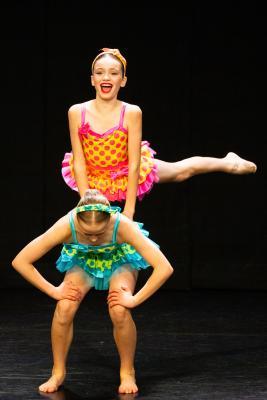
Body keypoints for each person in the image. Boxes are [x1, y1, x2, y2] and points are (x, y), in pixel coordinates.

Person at [61, 48, 257, 220]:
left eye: (113, 73)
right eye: (99, 73)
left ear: (123, 80)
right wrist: (86, 203)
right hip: (95, 175)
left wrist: (129, 210)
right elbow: (79, 162)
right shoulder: (77, 112)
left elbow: (134, 163)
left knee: (180, 172)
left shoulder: (131, 112)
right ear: (92, 80)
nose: (106, 77)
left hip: (127, 169)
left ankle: (230, 163)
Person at [12, 189, 173, 395]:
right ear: (78, 221)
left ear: (109, 219)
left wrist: (134, 299)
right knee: (64, 307)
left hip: (119, 261)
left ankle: (127, 371)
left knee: (119, 309)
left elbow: (164, 267)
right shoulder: (65, 225)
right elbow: (21, 261)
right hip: (84, 263)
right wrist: (53, 291)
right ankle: (58, 371)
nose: (95, 240)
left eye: (100, 233)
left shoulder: (122, 225)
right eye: (88, 234)